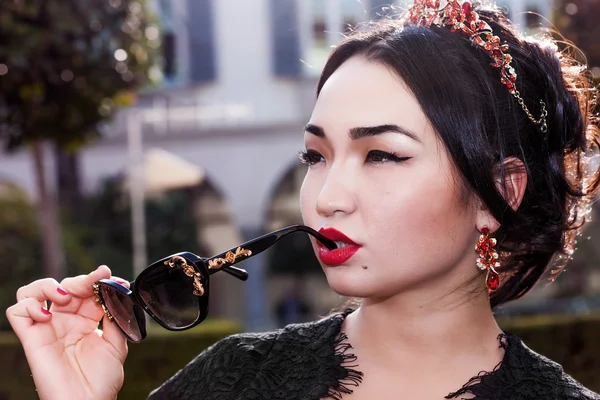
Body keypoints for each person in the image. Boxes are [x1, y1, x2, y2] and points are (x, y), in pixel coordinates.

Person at [6, 0, 600, 398]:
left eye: (383, 155)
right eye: (316, 156)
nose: (326, 198)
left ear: (499, 192)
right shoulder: (232, 381)